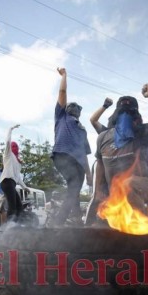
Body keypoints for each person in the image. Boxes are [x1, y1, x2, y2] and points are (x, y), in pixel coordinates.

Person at [93, 84, 148, 217]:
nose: (125, 116)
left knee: (127, 184)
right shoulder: (103, 137)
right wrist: (98, 191)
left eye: (129, 112)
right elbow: (100, 164)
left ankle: (144, 219)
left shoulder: (141, 134)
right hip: (115, 197)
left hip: (144, 188)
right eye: (122, 112)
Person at [50, 67, 92, 226]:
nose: (73, 110)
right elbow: (62, 92)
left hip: (76, 163)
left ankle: (75, 218)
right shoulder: (61, 116)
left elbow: (84, 154)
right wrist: (64, 75)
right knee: (74, 187)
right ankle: (58, 221)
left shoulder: (82, 129)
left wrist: (88, 174)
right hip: (63, 155)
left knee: (75, 188)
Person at [0, 125, 29, 223]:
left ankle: (18, 225)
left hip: (11, 183)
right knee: (12, 205)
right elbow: (8, 142)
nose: (14, 147)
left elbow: (18, 178)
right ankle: (9, 227)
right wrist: (10, 129)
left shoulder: (17, 161)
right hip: (6, 181)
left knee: (19, 206)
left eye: (16, 146)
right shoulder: (8, 154)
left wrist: (25, 187)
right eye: (13, 146)